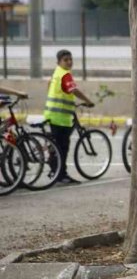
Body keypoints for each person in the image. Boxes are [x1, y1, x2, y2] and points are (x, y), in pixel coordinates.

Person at [44, 49, 94, 184]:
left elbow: (49, 84)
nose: (69, 62)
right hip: (60, 116)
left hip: (52, 113)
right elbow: (74, 90)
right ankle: (61, 175)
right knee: (63, 146)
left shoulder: (57, 72)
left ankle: (55, 170)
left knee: (57, 145)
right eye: (65, 60)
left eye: (70, 59)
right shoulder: (65, 75)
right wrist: (88, 101)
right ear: (59, 62)